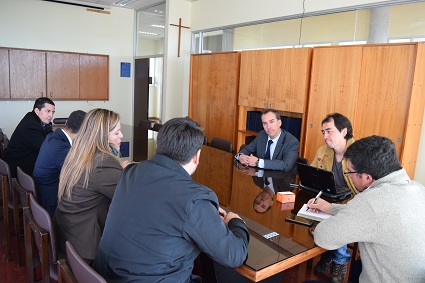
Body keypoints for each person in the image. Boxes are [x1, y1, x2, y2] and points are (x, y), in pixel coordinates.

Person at [93, 117, 249, 283]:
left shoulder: (130, 172)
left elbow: (155, 206)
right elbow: (235, 255)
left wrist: (205, 214)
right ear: (197, 156)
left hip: (104, 275)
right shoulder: (195, 198)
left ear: (160, 145)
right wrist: (235, 222)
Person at [308, 135, 425, 283]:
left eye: (349, 172)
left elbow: (323, 237)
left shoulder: (372, 201)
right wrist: (332, 208)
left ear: (367, 178)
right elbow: (371, 216)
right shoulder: (418, 189)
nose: (349, 177)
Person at [53, 109, 124, 264]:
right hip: (84, 251)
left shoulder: (79, 153)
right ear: (102, 136)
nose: (121, 136)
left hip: (67, 237)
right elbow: (130, 199)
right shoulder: (103, 162)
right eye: (117, 132)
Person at [310, 113, 357, 283]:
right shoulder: (323, 151)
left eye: (329, 131)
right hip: (328, 196)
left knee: (337, 223)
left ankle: (339, 260)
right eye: (323, 132)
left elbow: (364, 192)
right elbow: (312, 175)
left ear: (344, 131)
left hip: (351, 201)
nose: (325, 137)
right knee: (309, 219)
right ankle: (328, 252)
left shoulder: (359, 153)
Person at [33, 110, 86, 217]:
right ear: (83, 131)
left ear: (67, 123)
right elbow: (78, 176)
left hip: (43, 190)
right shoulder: (62, 148)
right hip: (51, 201)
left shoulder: (53, 137)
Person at [4, 97, 55, 177]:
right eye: (48, 111)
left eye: (53, 112)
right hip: (20, 170)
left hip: (22, 164)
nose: (51, 115)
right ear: (37, 111)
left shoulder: (32, 118)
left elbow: (49, 136)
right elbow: (45, 150)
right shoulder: (31, 126)